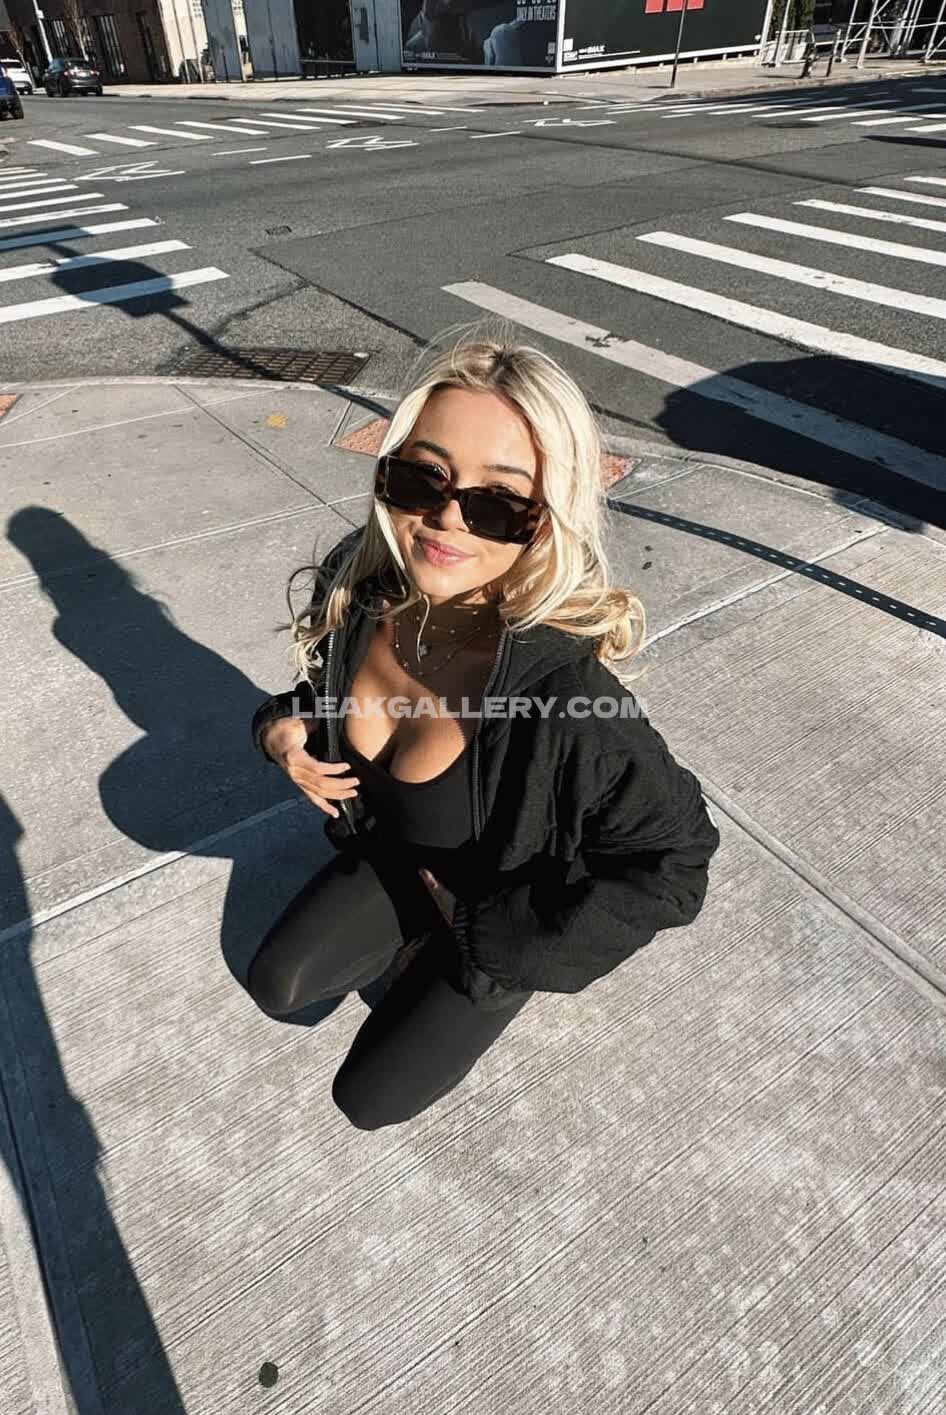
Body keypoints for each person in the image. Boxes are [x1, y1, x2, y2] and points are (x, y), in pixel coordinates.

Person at [246, 332, 720, 1131]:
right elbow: (313, 698)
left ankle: (466, 970)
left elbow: (678, 862)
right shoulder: (362, 591)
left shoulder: (567, 701)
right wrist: (281, 735)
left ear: (546, 519)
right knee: (276, 984)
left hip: (496, 910)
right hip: (398, 860)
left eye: (497, 502)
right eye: (422, 476)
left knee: (365, 1100)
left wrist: (512, 939)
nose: (444, 518)